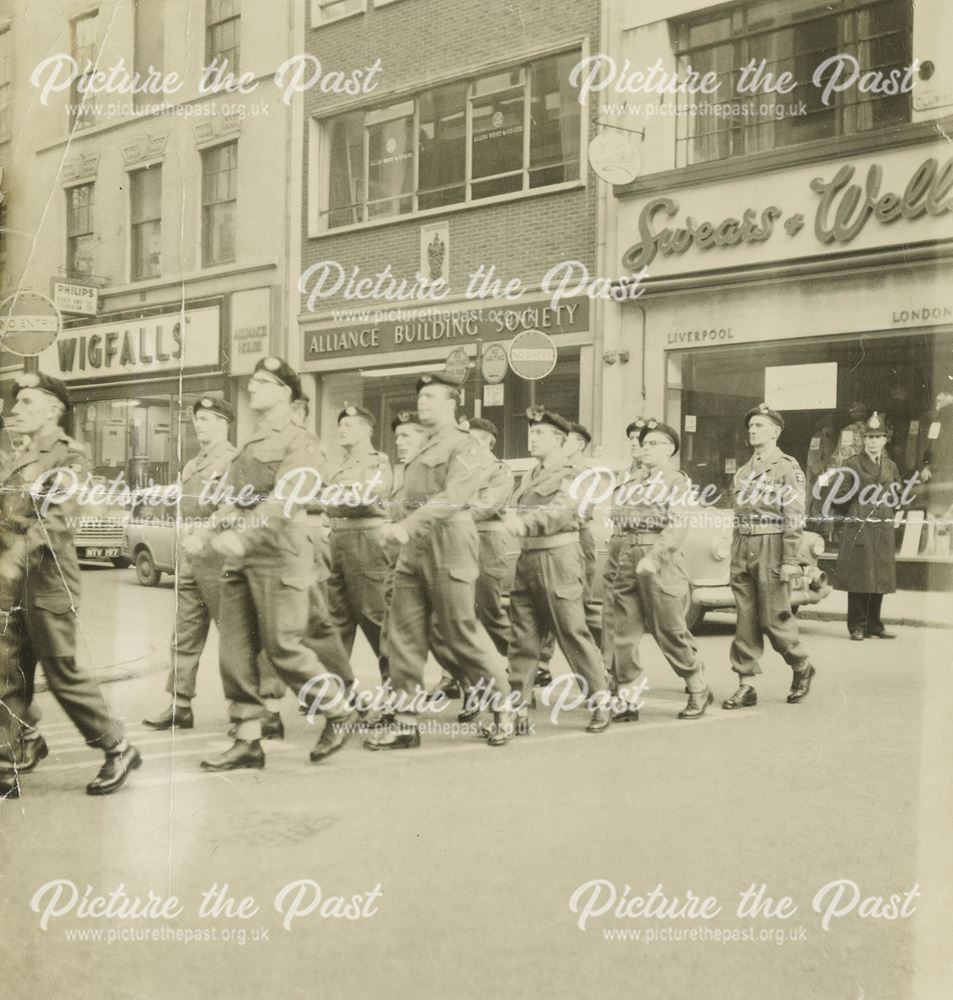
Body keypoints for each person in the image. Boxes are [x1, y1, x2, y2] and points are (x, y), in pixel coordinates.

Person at [194, 357, 355, 772]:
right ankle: (248, 739)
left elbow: (283, 501)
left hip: (279, 553)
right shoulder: (253, 440)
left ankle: (337, 711)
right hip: (243, 557)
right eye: (252, 382)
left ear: (285, 392)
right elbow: (237, 495)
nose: (252, 388)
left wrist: (242, 534)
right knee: (234, 650)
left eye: (263, 382)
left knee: (284, 646)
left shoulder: (302, 442)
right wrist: (211, 528)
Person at [0, 372, 140, 797]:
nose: (15, 410)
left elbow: (53, 520)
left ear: (53, 409)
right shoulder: (16, 456)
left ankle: (117, 746)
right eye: (16, 402)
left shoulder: (70, 457)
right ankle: (9, 760)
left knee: (63, 674)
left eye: (26, 402)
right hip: (11, 585)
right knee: (6, 673)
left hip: (47, 582)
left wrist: (11, 561)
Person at [366, 371, 514, 751]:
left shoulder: (465, 445)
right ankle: (404, 722)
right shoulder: (421, 445)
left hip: (449, 542)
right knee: (403, 636)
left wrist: (407, 526)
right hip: (414, 548)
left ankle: (505, 707)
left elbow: (455, 495)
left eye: (432, 396)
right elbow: (409, 497)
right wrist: (393, 526)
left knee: (460, 632)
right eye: (421, 396)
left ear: (452, 403)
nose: (423, 402)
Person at [142, 397, 284, 732]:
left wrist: (204, 535)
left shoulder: (234, 460)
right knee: (185, 633)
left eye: (207, 418)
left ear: (224, 423)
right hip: (191, 556)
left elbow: (233, 507)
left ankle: (268, 709)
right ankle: (180, 704)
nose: (199, 424)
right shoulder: (193, 465)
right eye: (197, 419)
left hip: (220, 555)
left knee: (240, 637)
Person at [500, 406, 611, 742]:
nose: (532, 438)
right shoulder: (532, 473)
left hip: (559, 557)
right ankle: (517, 704)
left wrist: (525, 522)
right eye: (531, 432)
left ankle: (601, 701)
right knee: (523, 637)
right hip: (529, 557)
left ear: (560, 439)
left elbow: (563, 508)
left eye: (540, 434)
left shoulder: (574, 472)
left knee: (572, 632)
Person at [602, 418, 712, 720]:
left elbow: (678, 523)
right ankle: (626, 699)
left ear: (670, 450)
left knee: (669, 630)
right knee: (622, 631)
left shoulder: (676, 481)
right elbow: (616, 515)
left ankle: (697, 687)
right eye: (644, 442)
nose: (645, 447)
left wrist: (655, 556)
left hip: (658, 560)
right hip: (627, 556)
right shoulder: (632, 480)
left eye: (654, 443)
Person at [723, 403, 816, 710]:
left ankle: (801, 665)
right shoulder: (742, 471)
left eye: (760, 425)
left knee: (774, 617)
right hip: (744, 546)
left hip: (773, 547)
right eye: (751, 425)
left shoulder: (788, 468)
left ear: (776, 432)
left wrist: (791, 560)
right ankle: (746, 684)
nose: (753, 430)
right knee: (745, 619)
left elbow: (793, 517)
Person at [321, 404, 393, 679]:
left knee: (374, 615)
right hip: (337, 539)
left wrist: (338, 494)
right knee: (335, 617)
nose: (341, 430)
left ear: (366, 430)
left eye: (348, 425)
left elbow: (367, 496)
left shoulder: (377, 461)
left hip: (365, 540)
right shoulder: (338, 465)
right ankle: (334, 686)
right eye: (340, 426)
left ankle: (394, 681)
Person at [826, 412, 901, 641]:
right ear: (863, 440)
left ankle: (875, 625)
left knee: (879, 575)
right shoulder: (852, 464)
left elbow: (897, 492)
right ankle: (857, 625)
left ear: (885, 440)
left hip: (883, 525)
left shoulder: (890, 466)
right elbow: (838, 496)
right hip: (860, 524)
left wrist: (893, 510)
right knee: (859, 575)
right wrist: (854, 512)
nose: (874, 441)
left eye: (878, 437)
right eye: (870, 437)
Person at [465, 416, 514, 658]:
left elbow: (487, 505)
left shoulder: (500, 471)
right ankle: (452, 677)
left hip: (487, 544)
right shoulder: (459, 469)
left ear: (487, 442)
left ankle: (520, 662)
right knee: (456, 612)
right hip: (460, 542)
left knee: (490, 611)